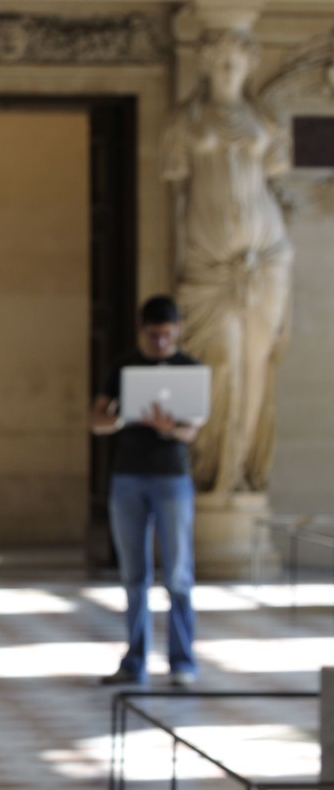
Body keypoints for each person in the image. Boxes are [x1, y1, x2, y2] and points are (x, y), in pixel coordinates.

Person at [163, 27, 293, 496]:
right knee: (220, 362)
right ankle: (211, 471)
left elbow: (279, 179)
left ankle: (241, 474)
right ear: (203, 66)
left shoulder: (264, 118)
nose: (227, 71)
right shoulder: (186, 119)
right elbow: (174, 193)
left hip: (267, 257)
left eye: (236, 64)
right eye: (218, 62)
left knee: (255, 363)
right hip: (207, 262)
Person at [92, 295, 203, 688]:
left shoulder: (189, 368)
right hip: (129, 478)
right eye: (154, 335)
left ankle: (182, 662)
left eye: (167, 335)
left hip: (172, 478)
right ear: (143, 329)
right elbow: (96, 420)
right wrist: (125, 415)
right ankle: (135, 660)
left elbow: (192, 430)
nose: (160, 342)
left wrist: (167, 428)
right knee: (134, 574)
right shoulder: (123, 365)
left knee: (177, 573)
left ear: (178, 330)